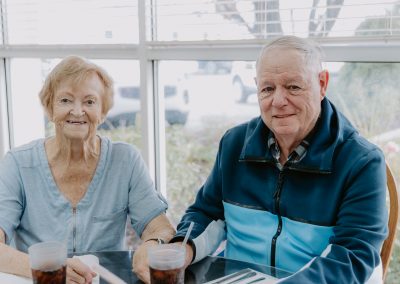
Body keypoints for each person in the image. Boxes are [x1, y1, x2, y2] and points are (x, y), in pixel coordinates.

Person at [137, 36, 389, 283]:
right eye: (268, 88)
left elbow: (351, 259)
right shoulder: (234, 145)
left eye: (293, 86)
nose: (278, 101)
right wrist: (183, 249)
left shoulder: (362, 162)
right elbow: (205, 212)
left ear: (322, 84)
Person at [0, 55, 175, 283]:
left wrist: (152, 245)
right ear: (50, 107)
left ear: (102, 112)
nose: (77, 111)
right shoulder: (18, 163)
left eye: (89, 102)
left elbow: (161, 228)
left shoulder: (125, 161)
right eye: (65, 100)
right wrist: (48, 268)